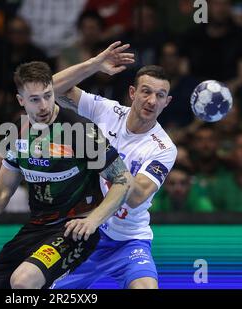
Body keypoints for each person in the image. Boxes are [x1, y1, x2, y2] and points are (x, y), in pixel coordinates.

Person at [0, 60, 135, 289]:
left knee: (23, 281)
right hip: (36, 227)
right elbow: (3, 189)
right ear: (21, 101)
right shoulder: (16, 131)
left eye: (48, 95)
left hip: (74, 228)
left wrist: (93, 220)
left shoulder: (80, 130)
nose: (44, 105)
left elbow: (124, 180)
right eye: (35, 99)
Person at [51, 42, 177, 289]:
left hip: (128, 241)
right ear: (132, 93)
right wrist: (93, 65)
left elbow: (136, 197)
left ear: (167, 102)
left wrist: (104, 152)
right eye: (146, 92)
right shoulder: (108, 111)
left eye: (160, 96)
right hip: (85, 232)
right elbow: (50, 89)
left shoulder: (163, 148)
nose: (152, 100)